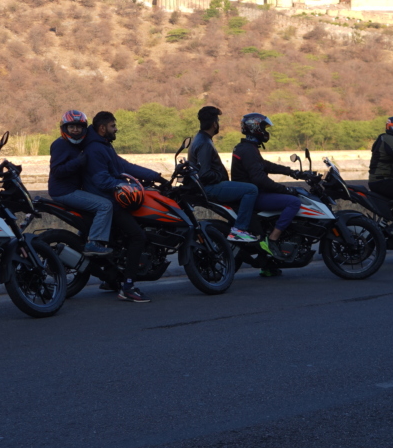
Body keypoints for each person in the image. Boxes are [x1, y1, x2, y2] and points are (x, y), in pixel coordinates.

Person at [82, 111, 169, 303]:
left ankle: (113, 278)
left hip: (109, 197)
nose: (116, 129)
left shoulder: (103, 145)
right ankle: (128, 287)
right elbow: (101, 180)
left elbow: (124, 166)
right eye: (113, 126)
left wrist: (156, 176)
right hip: (107, 199)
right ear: (102, 128)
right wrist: (126, 186)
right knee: (138, 236)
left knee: (123, 236)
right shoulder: (95, 149)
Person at [231, 113, 306, 277]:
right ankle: (272, 240)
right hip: (254, 195)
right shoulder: (248, 150)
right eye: (263, 128)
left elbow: (266, 165)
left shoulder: (247, 148)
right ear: (255, 128)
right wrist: (285, 189)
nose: (265, 131)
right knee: (293, 202)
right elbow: (259, 179)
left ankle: (268, 265)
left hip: (252, 193)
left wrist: (292, 172)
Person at [47, 110, 114, 257]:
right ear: (65, 128)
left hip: (72, 189)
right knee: (105, 206)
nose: (75, 130)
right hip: (63, 191)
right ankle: (93, 243)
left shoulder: (79, 144)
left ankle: (83, 238)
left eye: (79, 127)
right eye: (71, 127)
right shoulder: (60, 144)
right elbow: (56, 171)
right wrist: (77, 162)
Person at [188, 106, 259, 243]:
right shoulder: (205, 143)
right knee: (251, 189)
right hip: (210, 187)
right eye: (218, 121)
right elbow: (205, 174)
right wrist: (221, 176)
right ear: (214, 124)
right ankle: (239, 229)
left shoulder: (199, 139)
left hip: (204, 187)